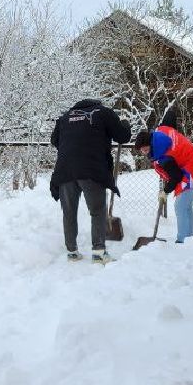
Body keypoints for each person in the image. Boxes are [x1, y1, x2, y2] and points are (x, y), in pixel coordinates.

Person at [48, 97, 132, 263]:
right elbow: (122, 137)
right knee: (97, 211)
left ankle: (72, 252)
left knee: (69, 212)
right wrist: (125, 125)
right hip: (92, 169)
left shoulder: (65, 117)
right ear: (96, 104)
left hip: (65, 170)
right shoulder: (104, 113)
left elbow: (54, 140)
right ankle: (99, 252)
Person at [133, 124, 193, 243]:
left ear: (152, 144)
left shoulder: (165, 157)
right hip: (192, 161)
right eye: (142, 151)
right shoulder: (160, 132)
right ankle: (189, 238)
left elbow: (176, 176)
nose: (144, 153)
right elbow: (168, 121)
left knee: (180, 206)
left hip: (192, 168)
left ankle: (182, 240)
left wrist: (165, 191)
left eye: (146, 149)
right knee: (186, 206)